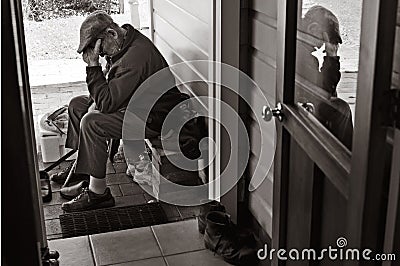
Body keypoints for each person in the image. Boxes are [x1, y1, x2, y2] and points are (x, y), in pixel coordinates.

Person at [60, 11, 182, 212]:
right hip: (133, 104)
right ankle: (84, 172)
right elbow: (109, 91)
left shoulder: (133, 57)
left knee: (92, 122)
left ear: (111, 34)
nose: (99, 54)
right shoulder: (123, 42)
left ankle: (98, 194)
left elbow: (107, 103)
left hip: (154, 118)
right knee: (76, 105)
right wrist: (96, 96)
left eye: (99, 48)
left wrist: (93, 67)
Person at [297, 5, 353, 149]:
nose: (322, 45)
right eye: (324, 40)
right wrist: (331, 58)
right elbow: (323, 94)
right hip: (304, 113)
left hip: (303, 109)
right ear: (313, 29)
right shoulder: (303, 58)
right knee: (342, 108)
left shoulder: (298, 50)